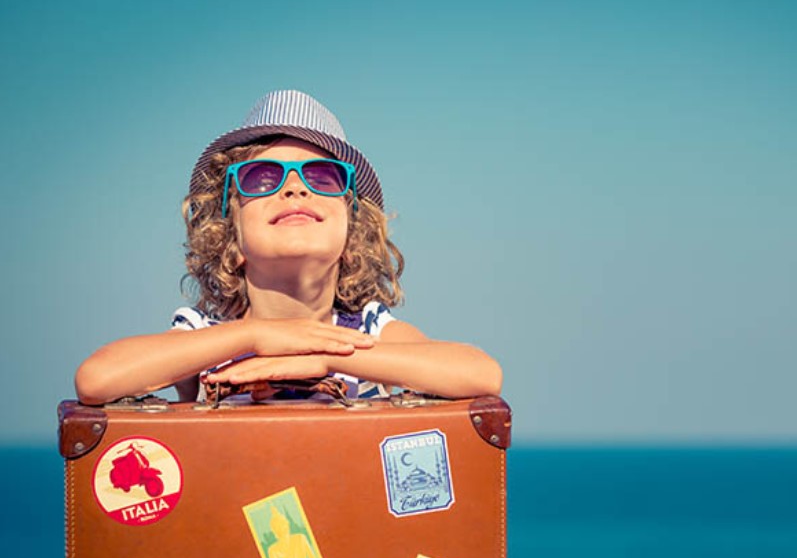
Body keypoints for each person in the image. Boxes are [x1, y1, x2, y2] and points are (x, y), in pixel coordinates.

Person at [75, 90, 502, 405]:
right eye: (262, 177)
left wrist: (322, 359)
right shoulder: (205, 336)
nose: (295, 188)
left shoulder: (368, 332)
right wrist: (257, 335)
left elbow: (479, 373)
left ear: (352, 241)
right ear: (230, 241)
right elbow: (97, 379)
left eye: (322, 177)